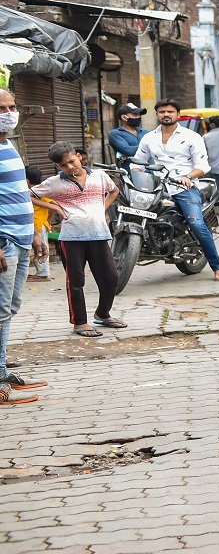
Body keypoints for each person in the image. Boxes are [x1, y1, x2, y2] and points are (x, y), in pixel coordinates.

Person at [30, 142, 123, 337]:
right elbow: (28, 195)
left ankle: (103, 314)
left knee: (111, 278)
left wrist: (101, 209)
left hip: (98, 234)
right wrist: (54, 208)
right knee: (75, 281)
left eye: (72, 161)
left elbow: (114, 190)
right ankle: (79, 322)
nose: (70, 167)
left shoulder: (99, 176)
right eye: (64, 165)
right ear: (58, 167)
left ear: (79, 157)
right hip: (71, 238)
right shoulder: (54, 183)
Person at [133, 99, 219, 282]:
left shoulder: (192, 136)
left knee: (197, 224)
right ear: (157, 115)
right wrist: (133, 174)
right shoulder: (149, 138)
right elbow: (139, 162)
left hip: (183, 187)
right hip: (156, 187)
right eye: (162, 112)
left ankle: (217, 266)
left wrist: (189, 176)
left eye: (170, 111)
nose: (166, 115)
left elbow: (203, 165)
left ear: (178, 115)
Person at [0, 88, 51, 393]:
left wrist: (33, 233)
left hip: (19, 239)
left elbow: (19, 195)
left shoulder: (9, 146)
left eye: (12, 107)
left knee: (9, 307)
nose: (9, 114)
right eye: (2, 108)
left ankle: (2, 370)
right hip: (4, 241)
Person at [25, 166, 51, 282]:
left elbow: (53, 204)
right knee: (38, 249)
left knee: (40, 249)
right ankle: (40, 272)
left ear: (26, 180)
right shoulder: (39, 190)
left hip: (38, 225)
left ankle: (42, 273)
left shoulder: (36, 192)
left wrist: (49, 218)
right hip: (37, 224)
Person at [108, 103, 148, 171]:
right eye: (135, 115)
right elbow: (128, 150)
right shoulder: (115, 134)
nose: (138, 117)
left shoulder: (145, 132)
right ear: (124, 117)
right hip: (128, 173)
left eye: (139, 115)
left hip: (148, 172)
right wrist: (147, 148)